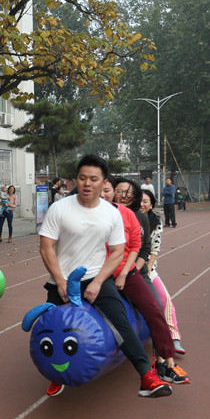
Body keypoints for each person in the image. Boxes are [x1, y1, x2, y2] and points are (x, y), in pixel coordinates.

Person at [38, 154, 171, 398]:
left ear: (103, 182)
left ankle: (146, 374)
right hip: (61, 280)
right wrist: (60, 282)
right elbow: (46, 247)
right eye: (82, 178)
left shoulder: (111, 213)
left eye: (93, 179)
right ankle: (56, 375)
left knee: (121, 324)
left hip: (96, 278)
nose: (87, 184)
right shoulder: (59, 209)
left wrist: (99, 282)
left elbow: (118, 251)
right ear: (75, 181)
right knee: (51, 328)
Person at [107, 178, 189, 384]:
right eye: (120, 191)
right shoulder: (103, 214)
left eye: (129, 192)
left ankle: (166, 363)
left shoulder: (140, 218)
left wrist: (131, 270)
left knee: (155, 309)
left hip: (136, 271)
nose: (124, 195)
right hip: (108, 273)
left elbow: (142, 248)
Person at [140, 189, 186, 354]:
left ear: (151, 204)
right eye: (139, 200)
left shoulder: (155, 222)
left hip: (147, 270)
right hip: (127, 269)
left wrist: (147, 270)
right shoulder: (128, 218)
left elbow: (154, 249)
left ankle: (174, 338)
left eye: (145, 201)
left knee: (165, 301)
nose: (142, 204)